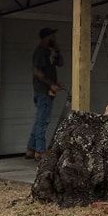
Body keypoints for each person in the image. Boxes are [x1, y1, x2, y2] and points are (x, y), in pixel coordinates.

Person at [26, 27, 65, 159]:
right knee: (43, 121)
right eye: (52, 37)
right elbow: (37, 72)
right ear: (46, 38)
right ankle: (40, 151)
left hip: (47, 90)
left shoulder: (49, 52)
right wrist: (51, 84)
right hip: (43, 91)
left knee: (39, 120)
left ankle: (31, 149)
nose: (55, 39)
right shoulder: (40, 52)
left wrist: (57, 50)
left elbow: (61, 64)